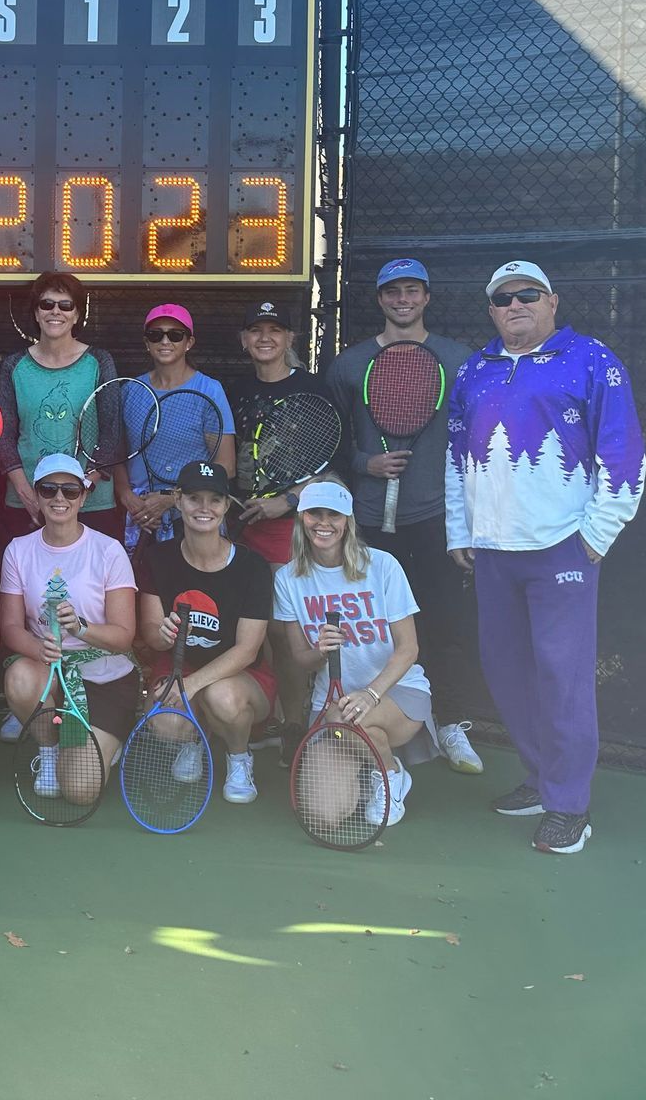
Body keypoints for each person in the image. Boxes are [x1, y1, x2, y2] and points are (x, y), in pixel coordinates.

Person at [447, 261, 646, 856]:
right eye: (503, 299)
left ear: (552, 301)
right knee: (507, 672)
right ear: (491, 311)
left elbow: (624, 453)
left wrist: (594, 538)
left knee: (562, 679)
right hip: (493, 553)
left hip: (563, 548)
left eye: (527, 294)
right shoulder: (473, 371)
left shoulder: (593, 360)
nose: (516, 305)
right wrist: (462, 530)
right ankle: (541, 779)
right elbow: (457, 458)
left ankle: (569, 807)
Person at [324, 258, 482, 775]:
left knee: (444, 625)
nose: (403, 300)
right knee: (372, 631)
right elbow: (332, 443)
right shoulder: (349, 366)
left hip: (433, 520)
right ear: (380, 299)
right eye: (393, 292)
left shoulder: (459, 361)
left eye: (413, 290)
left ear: (427, 297)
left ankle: (453, 722)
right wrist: (364, 463)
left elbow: (477, 442)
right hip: (368, 524)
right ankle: (359, 723)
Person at [273, 482, 437, 830]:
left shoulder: (382, 565)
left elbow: (409, 648)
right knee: (322, 815)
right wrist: (320, 652)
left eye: (333, 515)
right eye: (315, 513)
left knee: (349, 718)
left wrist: (370, 694)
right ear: (302, 518)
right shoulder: (288, 579)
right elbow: (300, 660)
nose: (324, 523)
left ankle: (390, 777)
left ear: (347, 521)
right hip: (335, 705)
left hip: (396, 692)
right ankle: (371, 766)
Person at [132, 460, 275, 804]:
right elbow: (151, 633)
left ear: (227, 506)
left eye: (215, 499)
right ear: (178, 501)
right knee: (164, 721)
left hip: (241, 676)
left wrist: (192, 686)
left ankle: (239, 757)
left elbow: (248, 651)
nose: (204, 508)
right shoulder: (158, 558)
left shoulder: (252, 565)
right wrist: (162, 634)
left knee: (221, 697)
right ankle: (195, 739)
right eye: (195, 498)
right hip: (181, 665)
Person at [0, 454, 138, 805]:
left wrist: (81, 627)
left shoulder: (109, 551)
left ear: (84, 496)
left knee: (79, 792)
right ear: (36, 494)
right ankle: (48, 754)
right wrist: (38, 650)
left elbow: (123, 637)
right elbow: (11, 628)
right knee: (18, 675)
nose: (59, 498)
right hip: (50, 671)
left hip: (104, 678)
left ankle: (108, 745)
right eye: (49, 489)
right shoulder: (18, 550)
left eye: (70, 490)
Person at [0, 271, 122, 554]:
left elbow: (112, 433)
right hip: (28, 504)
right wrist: (27, 494)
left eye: (65, 305)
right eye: (46, 304)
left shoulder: (99, 361)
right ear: (36, 313)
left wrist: (83, 489)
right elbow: (4, 434)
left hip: (91, 503)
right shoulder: (14, 365)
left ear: (77, 315)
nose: (55, 312)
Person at [117, 303, 237, 552]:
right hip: (140, 514)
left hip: (193, 511)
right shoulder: (130, 390)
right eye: (155, 334)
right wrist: (127, 496)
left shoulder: (210, 390)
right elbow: (117, 452)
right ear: (146, 343)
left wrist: (172, 499)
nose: (165, 341)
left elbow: (227, 466)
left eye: (175, 335)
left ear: (188, 342)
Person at [226, 300, 336, 566]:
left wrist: (287, 500)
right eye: (255, 330)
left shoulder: (315, 389)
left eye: (274, 329)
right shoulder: (235, 390)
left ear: (289, 339)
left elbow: (333, 464)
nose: (264, 338)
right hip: (240, 523)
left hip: (292, 525)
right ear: (243, 339)